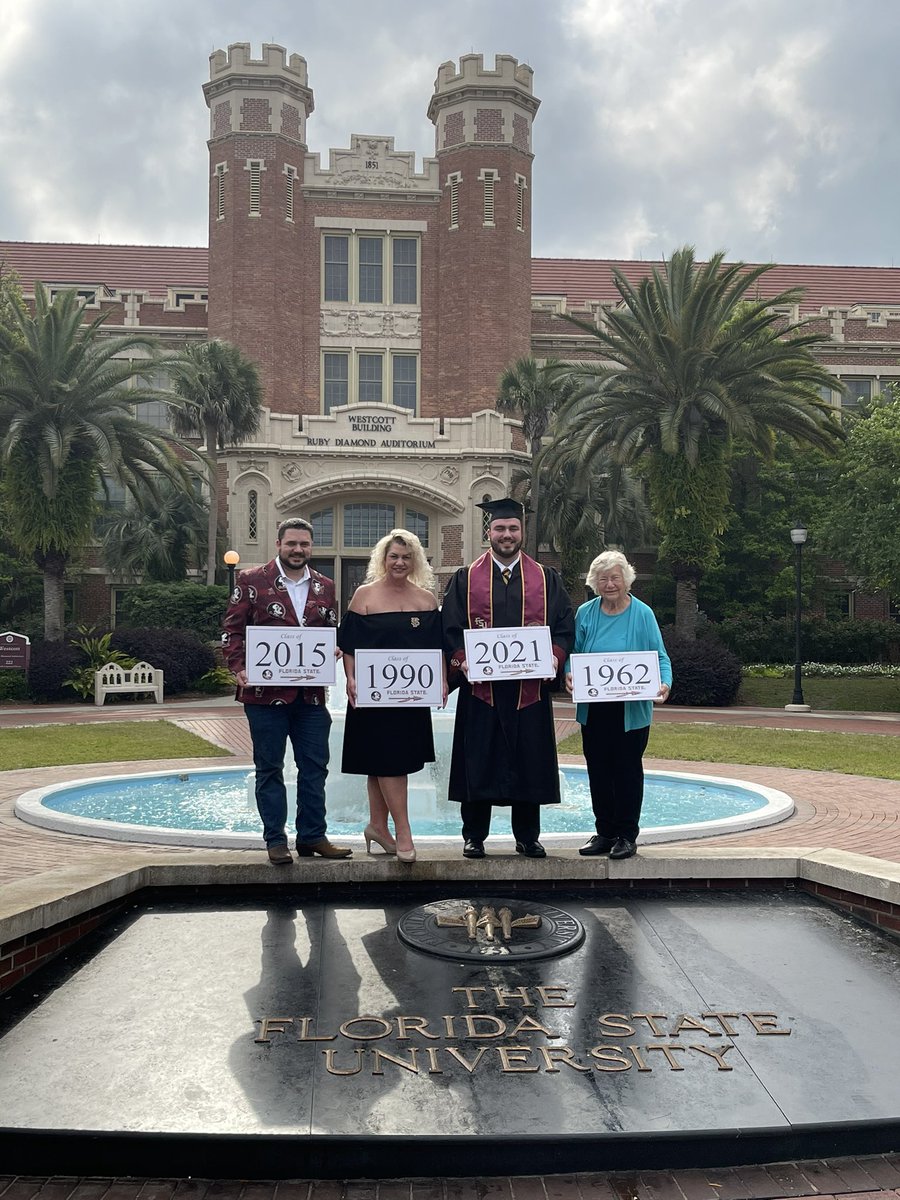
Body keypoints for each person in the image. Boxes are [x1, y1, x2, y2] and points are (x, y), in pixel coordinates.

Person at [441, 498, 575, 859]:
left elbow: (564, 626)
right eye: (500, 528)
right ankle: (474, 836)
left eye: (513, 528)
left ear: (522, 532)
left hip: (527, 692)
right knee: (478, 759)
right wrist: (461, 660)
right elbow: (450, 626)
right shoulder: (466, 578)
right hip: (481, 691)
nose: (507, 534)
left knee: (528, 760)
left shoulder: (546, 579)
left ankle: (527, 837)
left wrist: (554, 655)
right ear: (489, 532)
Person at [221, 517, 351, 866]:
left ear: (311, 547)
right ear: (278, 544)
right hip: (264, 696)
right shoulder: (251, 580)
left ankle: (312, 836)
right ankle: (276, 840)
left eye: (304, 544)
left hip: (310, 697)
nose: (298, 549)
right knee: (269, 768)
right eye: (291, 543)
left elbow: (330, 630)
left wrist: (333, 649)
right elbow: (232, 630)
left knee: (315, 767)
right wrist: (238, 667)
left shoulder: (325, 586)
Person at [338, 529, 447, 865]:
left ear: (415, 561)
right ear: (383, 559)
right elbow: (349, 644)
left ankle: (377, 827)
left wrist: (442, 680)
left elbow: (437, 649)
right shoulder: (364, 596)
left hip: (411, 698)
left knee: (383, 763)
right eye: (394, 556)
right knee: (388, 762)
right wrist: (350, 678)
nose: (400, 562)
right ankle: (403, 831)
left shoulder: (426, 600)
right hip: (372, 697)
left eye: (406, 557)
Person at [564, 549, 672, 861]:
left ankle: (626, 835)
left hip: (631, 711)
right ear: (594, 583)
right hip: (595, 709)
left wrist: (665, 684)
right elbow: (574, 653)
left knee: (627, 771)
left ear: (626, 579)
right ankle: (605, 832)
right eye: (603, 579)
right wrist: (569, 673)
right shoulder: (586, 613)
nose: (610, 584)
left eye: (615, 577)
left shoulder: (643, 614)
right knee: (598, 771)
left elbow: (660, 656)